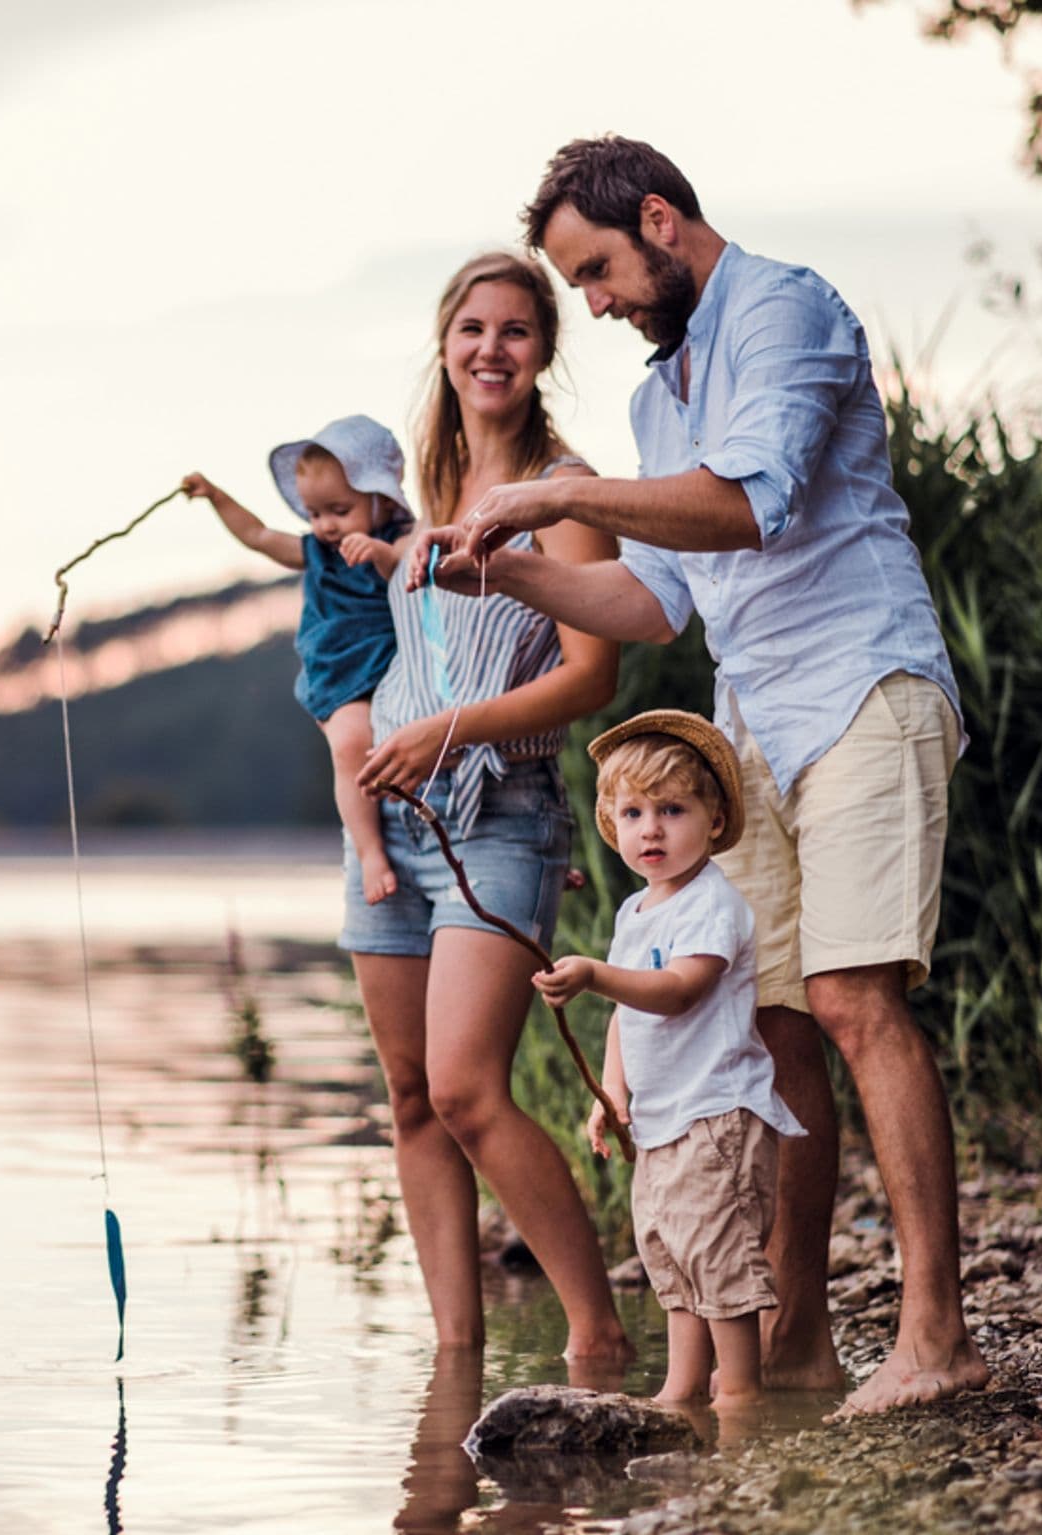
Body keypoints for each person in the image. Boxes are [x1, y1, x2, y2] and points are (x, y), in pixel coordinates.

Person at [413, 136, 989, 1416]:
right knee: (767, 1024)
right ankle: (795, 1343)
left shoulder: (785, 310)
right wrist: (503, 569)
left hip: (860, 684)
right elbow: (652, 600)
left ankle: (935, 1336)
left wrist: (552, 498)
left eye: (596, 271)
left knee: (848, 997)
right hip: (749, 723)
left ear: (659, 220)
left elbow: (747, 503)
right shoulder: (655, 403)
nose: (594, 302)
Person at [346, 251, 628, 1362]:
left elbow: (593, 675)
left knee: (467, 1089)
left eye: (515, 329)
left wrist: (450, 730)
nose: (490, 349)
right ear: (445, 343)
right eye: (472, 328)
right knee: (411, 1096)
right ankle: (454, 1363)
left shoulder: (566, 494)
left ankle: (597, 1336)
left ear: (544, 350)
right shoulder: (424, 497)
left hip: (501, 814)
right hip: (389, 822)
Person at [534, 710, 803, 1410]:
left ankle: (739, 1393)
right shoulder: (635, 912)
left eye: (672, 810)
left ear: (715, 821)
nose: (651, 829)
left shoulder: (712, 903)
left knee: (719, 1256)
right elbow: (627, 1017)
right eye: (633, 813)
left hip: (716, 1116)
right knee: (673, 1253)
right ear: (612, 824)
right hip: (661, 1122)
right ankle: (681, 1389)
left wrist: (594, 974)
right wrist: (611, 1091)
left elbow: (680, 990)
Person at [182, 414, 412, 904]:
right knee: (351, 745)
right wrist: (217, 497)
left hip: (398, 670)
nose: (326, 525)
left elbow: (410, 569)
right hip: (342, 675)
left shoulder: (401, 540)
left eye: (340, 510)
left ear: (383, 499)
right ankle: (370, 851)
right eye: (314, 513)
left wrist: (379, 553)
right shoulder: (316, 552)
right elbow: (259, 535)